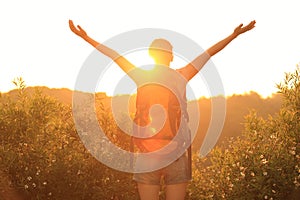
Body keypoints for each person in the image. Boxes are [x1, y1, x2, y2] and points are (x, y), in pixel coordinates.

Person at [69, 20, 255, 200]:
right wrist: (234, 35)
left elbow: (114, 55)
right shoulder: (183, 75)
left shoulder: (141, 75)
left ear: (151, 55)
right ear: (171, 56)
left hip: (147, 154)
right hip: (176, 153)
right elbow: (208, 54)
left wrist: (86, 37)